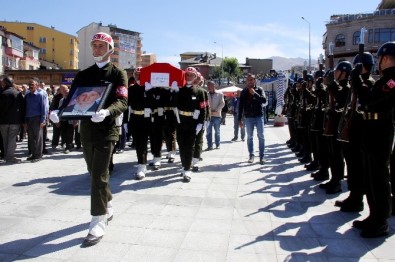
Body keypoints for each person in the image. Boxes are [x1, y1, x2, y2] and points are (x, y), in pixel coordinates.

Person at [50, 32, 128, 247]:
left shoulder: (117, 73)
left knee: (99, 175)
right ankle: (108, 202)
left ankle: (97, 221)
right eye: (94, 45)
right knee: (93, 172)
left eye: (101, 46)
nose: (96, 49)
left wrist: (108, 112)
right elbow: (72, 98)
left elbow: (122, 101)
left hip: (107, 130)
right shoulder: (83, 74)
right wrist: (60, 111)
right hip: (86, 131)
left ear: (110, 49)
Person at [351, 41, 394, 238]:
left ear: (387, 58)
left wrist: (357, 81)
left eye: (380, 58)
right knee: (370, 177)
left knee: (379, 179)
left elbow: (369, 101)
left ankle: (381, 222)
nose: (378, 61)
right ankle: (373, 215)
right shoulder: (383, 79)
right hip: (372, 131)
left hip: (381, 133)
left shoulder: (391, 81)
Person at [174, 67, 206, 182]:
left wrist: (201, 123)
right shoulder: (180, 90)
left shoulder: (200, 91)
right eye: (187, 75)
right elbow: (174, 106)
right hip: (181, 121)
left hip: (193, 123)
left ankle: (187, 169)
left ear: (195, 77)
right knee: (181, 146)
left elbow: (203, 109)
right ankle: (184, 166)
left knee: (189, 146)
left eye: (191, 75)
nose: (188, 77)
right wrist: (173, 92)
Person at [238, 73, 267, 165]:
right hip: (248, 117)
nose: (250, 81)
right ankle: (251, 155)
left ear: (254, 80)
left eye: (251, 80)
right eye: (248, 80)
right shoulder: (243, 92)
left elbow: (264, 100)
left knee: (261, 136)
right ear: (246, 81)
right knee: (250, 137)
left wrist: (255, 94)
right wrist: (239, 119)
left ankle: (262, 156)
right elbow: (240, 107)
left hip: (259, 116)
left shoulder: (260, 89)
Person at [0, 75, 24, 163]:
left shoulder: (1, 93)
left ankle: (7, 155)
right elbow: (22, 107)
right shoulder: (17, 93)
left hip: (3, 121)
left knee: (5, 139)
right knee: (12, 139)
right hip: (14, 120)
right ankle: (10, 157)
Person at [205, 80, 225, 150]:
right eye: (208, 86)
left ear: (214, 86)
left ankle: (217, 144)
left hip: (217, 115)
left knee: (217, 131)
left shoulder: (220, 94)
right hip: (208, 116)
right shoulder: (206, 94)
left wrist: (216, 110)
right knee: (208, 132)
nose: (209, 87)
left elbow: (222, 103)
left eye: (210, 85)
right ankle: (209, 146)